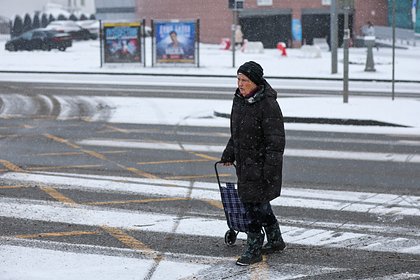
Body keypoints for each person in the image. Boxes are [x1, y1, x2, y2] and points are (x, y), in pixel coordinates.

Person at [221, 61, 286, 266]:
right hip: (246, 165)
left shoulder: (267, 104)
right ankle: (275, 240)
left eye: (245, 80)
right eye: (238, 79)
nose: (240, 84)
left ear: (256, 82)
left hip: (260, 167)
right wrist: (229, 153)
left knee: (252, 206)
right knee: (259, 204)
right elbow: (237, 133)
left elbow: (275, 142)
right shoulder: (240, 100)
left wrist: (269, 171)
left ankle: (254, 249)